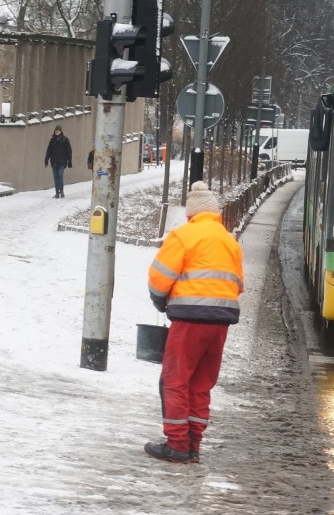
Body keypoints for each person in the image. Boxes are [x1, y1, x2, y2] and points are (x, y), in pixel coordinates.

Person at [145, 181, 244, 464]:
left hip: (189, 319)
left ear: (192, 214)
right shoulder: (229, 241)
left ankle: (176, 445)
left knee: (175, 380)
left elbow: (159, 279)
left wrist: (161, 303)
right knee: (201, 383)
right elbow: (237, 284)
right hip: (221, 323)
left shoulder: (184, 236)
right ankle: (193, 445)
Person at [44, 125, 72, 198]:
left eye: (58, 130)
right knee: (56, 177)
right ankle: (57, 192)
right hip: (54, 162)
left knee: (60, 175)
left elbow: (69, 151)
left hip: (62, 161)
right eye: (55, 130)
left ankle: (61, 191)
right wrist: (46, 159)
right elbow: (49, 150)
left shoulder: (65, 140)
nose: (56, 132)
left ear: (61, 131)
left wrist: (69, 161)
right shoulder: (52, 140)